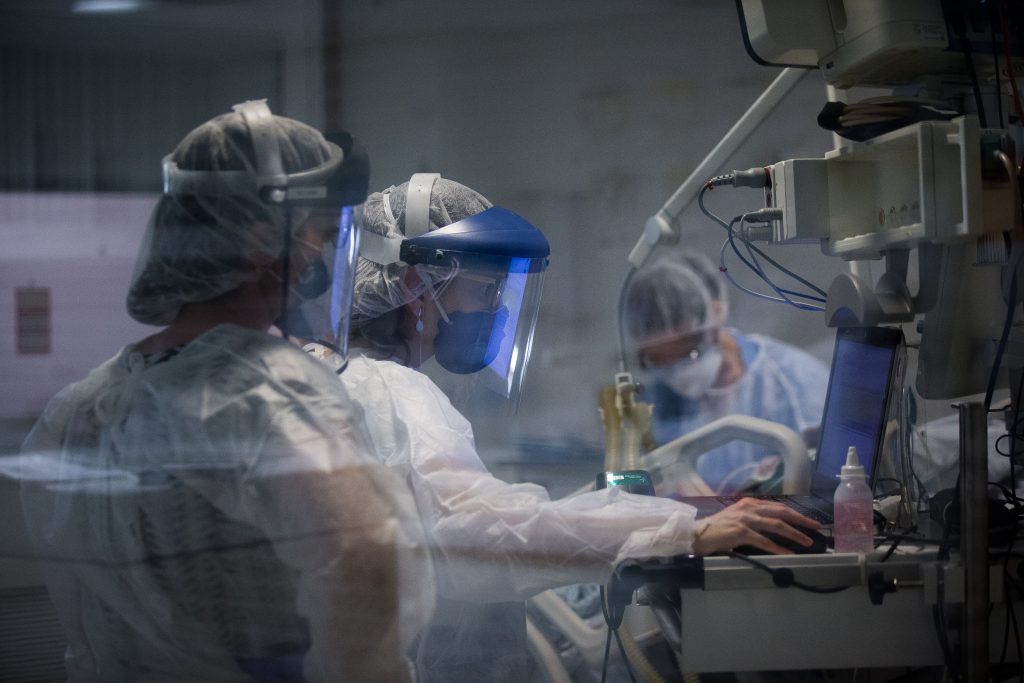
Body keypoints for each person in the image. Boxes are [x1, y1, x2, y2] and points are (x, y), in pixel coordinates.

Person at [306, 174, 823, 682]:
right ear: (419, 283)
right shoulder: (394, 393)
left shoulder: (325, 373)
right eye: (486, 293)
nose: (496, 314)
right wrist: (686, 531)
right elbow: (479, 532)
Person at [18, 101, 433, 682]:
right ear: (263, 243)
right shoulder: (266, 395)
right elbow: (361, 559)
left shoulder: (82, 406)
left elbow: (80, 622)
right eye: (318, 233)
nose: (320, 255)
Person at [623, 250, 830, 494]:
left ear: (717, 314)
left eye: (688, 354)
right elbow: (631, 480)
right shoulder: (658, 401)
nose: (677, 373)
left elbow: (826, 484)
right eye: (658, 361)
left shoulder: (793, 384)